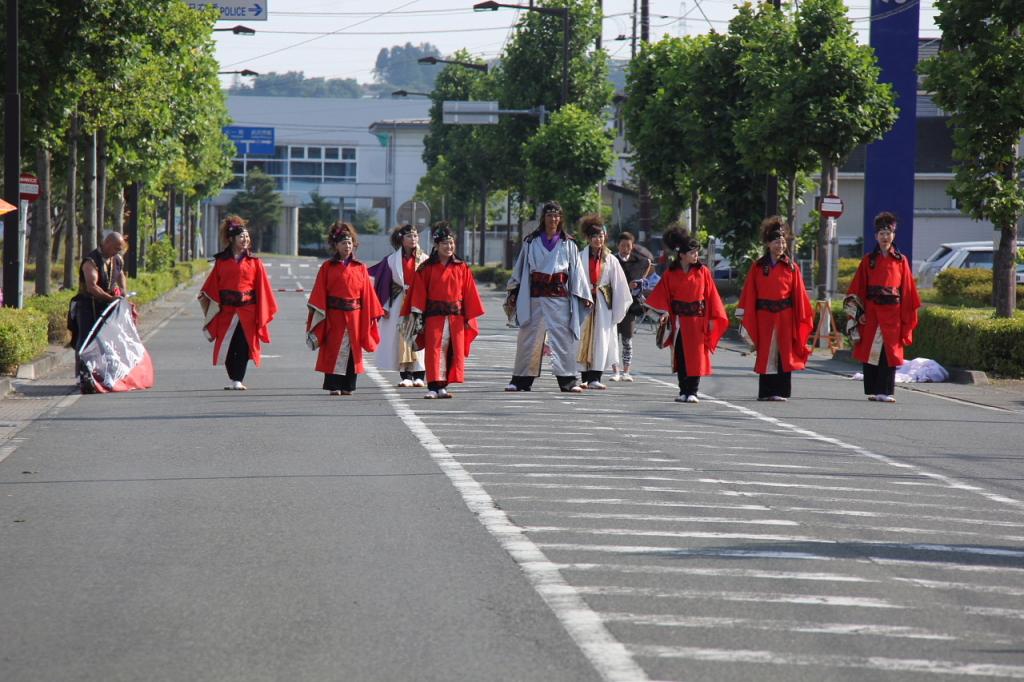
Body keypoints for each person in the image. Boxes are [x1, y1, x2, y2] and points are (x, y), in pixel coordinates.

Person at [505, 200, 592, 393]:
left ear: (561, 219)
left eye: (556, 215)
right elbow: (521, 269)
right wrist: (514, 290)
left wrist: (583, 294)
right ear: (543, 218)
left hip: (559, 298)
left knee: (563, 337)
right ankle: (520, 380)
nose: (553, 219)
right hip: (535, 297)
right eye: (549, 215)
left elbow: (576, 272)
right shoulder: (531, 241)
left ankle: (568, 381)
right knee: (528, 337)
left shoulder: (568, 243)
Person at [645, 227, 728, 403]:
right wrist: (663, 314)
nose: (696, 256)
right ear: (681, 254)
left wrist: (713, 318)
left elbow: (711, 296)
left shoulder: (703, 272)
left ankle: (693, 391)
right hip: (678, 321)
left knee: (695, 356)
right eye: (692, 252)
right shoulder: (670, 273)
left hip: (697, 320)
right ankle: (683, 390)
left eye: (697, 252)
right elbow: (662, 296)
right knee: (681, 355)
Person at [402, 224, 485, 399]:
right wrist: (417, 316)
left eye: (451, 243)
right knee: (434, 349)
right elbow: (418, 293)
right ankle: (433, 385)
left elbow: (470, 293)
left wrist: (468, 317)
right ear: (436, 246)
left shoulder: (461, 267)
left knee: (451, 350)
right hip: (434, 316)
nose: (449, 247)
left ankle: (443, 386)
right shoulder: (426, 268)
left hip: (456, 317)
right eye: (445, 243)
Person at [736, 216, 814, 401]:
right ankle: (766, 391)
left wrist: (801, 318)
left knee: (783, 353)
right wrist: (747, 315)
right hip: (764, 315)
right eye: (776, 242)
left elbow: (799, 296)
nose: (780, 245)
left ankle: (781, 390)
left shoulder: (791, 268)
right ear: (768, 244)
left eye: (783, 242)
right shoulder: (758, 267)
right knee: (766, 352)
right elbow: (749, 294)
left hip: (785, 316)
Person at [847, 211, 921, 403]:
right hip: (872, 311)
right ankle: (873, 389)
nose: (885, 237)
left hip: (893, 313)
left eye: (888, 234)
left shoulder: (901, 260)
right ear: (876, 236)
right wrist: (859, 313)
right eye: (881, 234)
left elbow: (907, 291)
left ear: (893, 236)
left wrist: (906, 316)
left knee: (890, 351)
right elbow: (857, 289)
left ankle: (886, 391)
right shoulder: (868, 261)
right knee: (871, 350)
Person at [198, 216, 278, 390]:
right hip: (226, 310)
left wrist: (260, 311)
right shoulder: (221, 261)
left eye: (247, 237)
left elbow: (263, 288)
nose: (245, 240)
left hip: (247, 310)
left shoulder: (255, 262)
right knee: (227, 346)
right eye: (242, 237)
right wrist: (208, 299)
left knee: (243, 345)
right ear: (232, 239)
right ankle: (233, 376)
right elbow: (212, 286)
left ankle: (237, 379)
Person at [306, 222, 384, 396]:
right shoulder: (327, 267)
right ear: (335, 245)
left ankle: (348, 385)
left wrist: (374, 312)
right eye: (343, 243)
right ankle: (333, 385)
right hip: (334, 315)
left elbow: (367, 294)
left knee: (352, 350)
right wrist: (319, 315)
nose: (347, 246)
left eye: (349, 243)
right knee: (333, 348)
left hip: (355, 314)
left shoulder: (360, 267)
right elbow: (319, 292)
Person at [368, 223, 428, 388]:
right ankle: (405, 374)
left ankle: (419, 375)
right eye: (409, 236)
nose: (413, 239)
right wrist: (384, 306)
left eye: (415, 236)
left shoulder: (425, 259)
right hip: (399, 301)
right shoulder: (391, 260)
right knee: (401, 337)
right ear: (401, 239)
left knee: (418, 336)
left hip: (418, 302)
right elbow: (384, 284)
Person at [576, 215, 632, 389]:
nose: (598, 240)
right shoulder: (579, 257)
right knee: (583, 337)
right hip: (584, 301)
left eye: (601, 236)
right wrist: (582, 295)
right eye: (594, 236)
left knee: (601, 338)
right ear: (588, 238)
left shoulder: (611, 259)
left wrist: (615, 307)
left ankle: (595, 377)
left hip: (602, 302)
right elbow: (575, 280)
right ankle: (584, 376)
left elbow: (620, 285)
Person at [69, 231, 129, 384]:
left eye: (119, 249)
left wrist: (123, 291)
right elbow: (92, 287)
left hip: (107, 306)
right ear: (107, 243)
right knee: (86, 339)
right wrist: (110, 298)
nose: (117, 251)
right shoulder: (91, 261)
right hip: (88, 305)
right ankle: (82, 374)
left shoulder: (116, 258)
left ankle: (104, 372)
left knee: (108, 340)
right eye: (116, 248)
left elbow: (120, 274)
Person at [610, 230, 654, 382]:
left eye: (628, 246)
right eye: (622, 245)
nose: (625, 248)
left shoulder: (638, 260)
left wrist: (640, 280)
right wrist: (625, 285)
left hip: (630, 305)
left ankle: (626, 371)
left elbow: (649, 263)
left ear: (632, 246)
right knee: (613, 339)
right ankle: (615, 370)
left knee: (627, 339)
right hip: (613, 304)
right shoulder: (611, 260)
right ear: (618, 246)